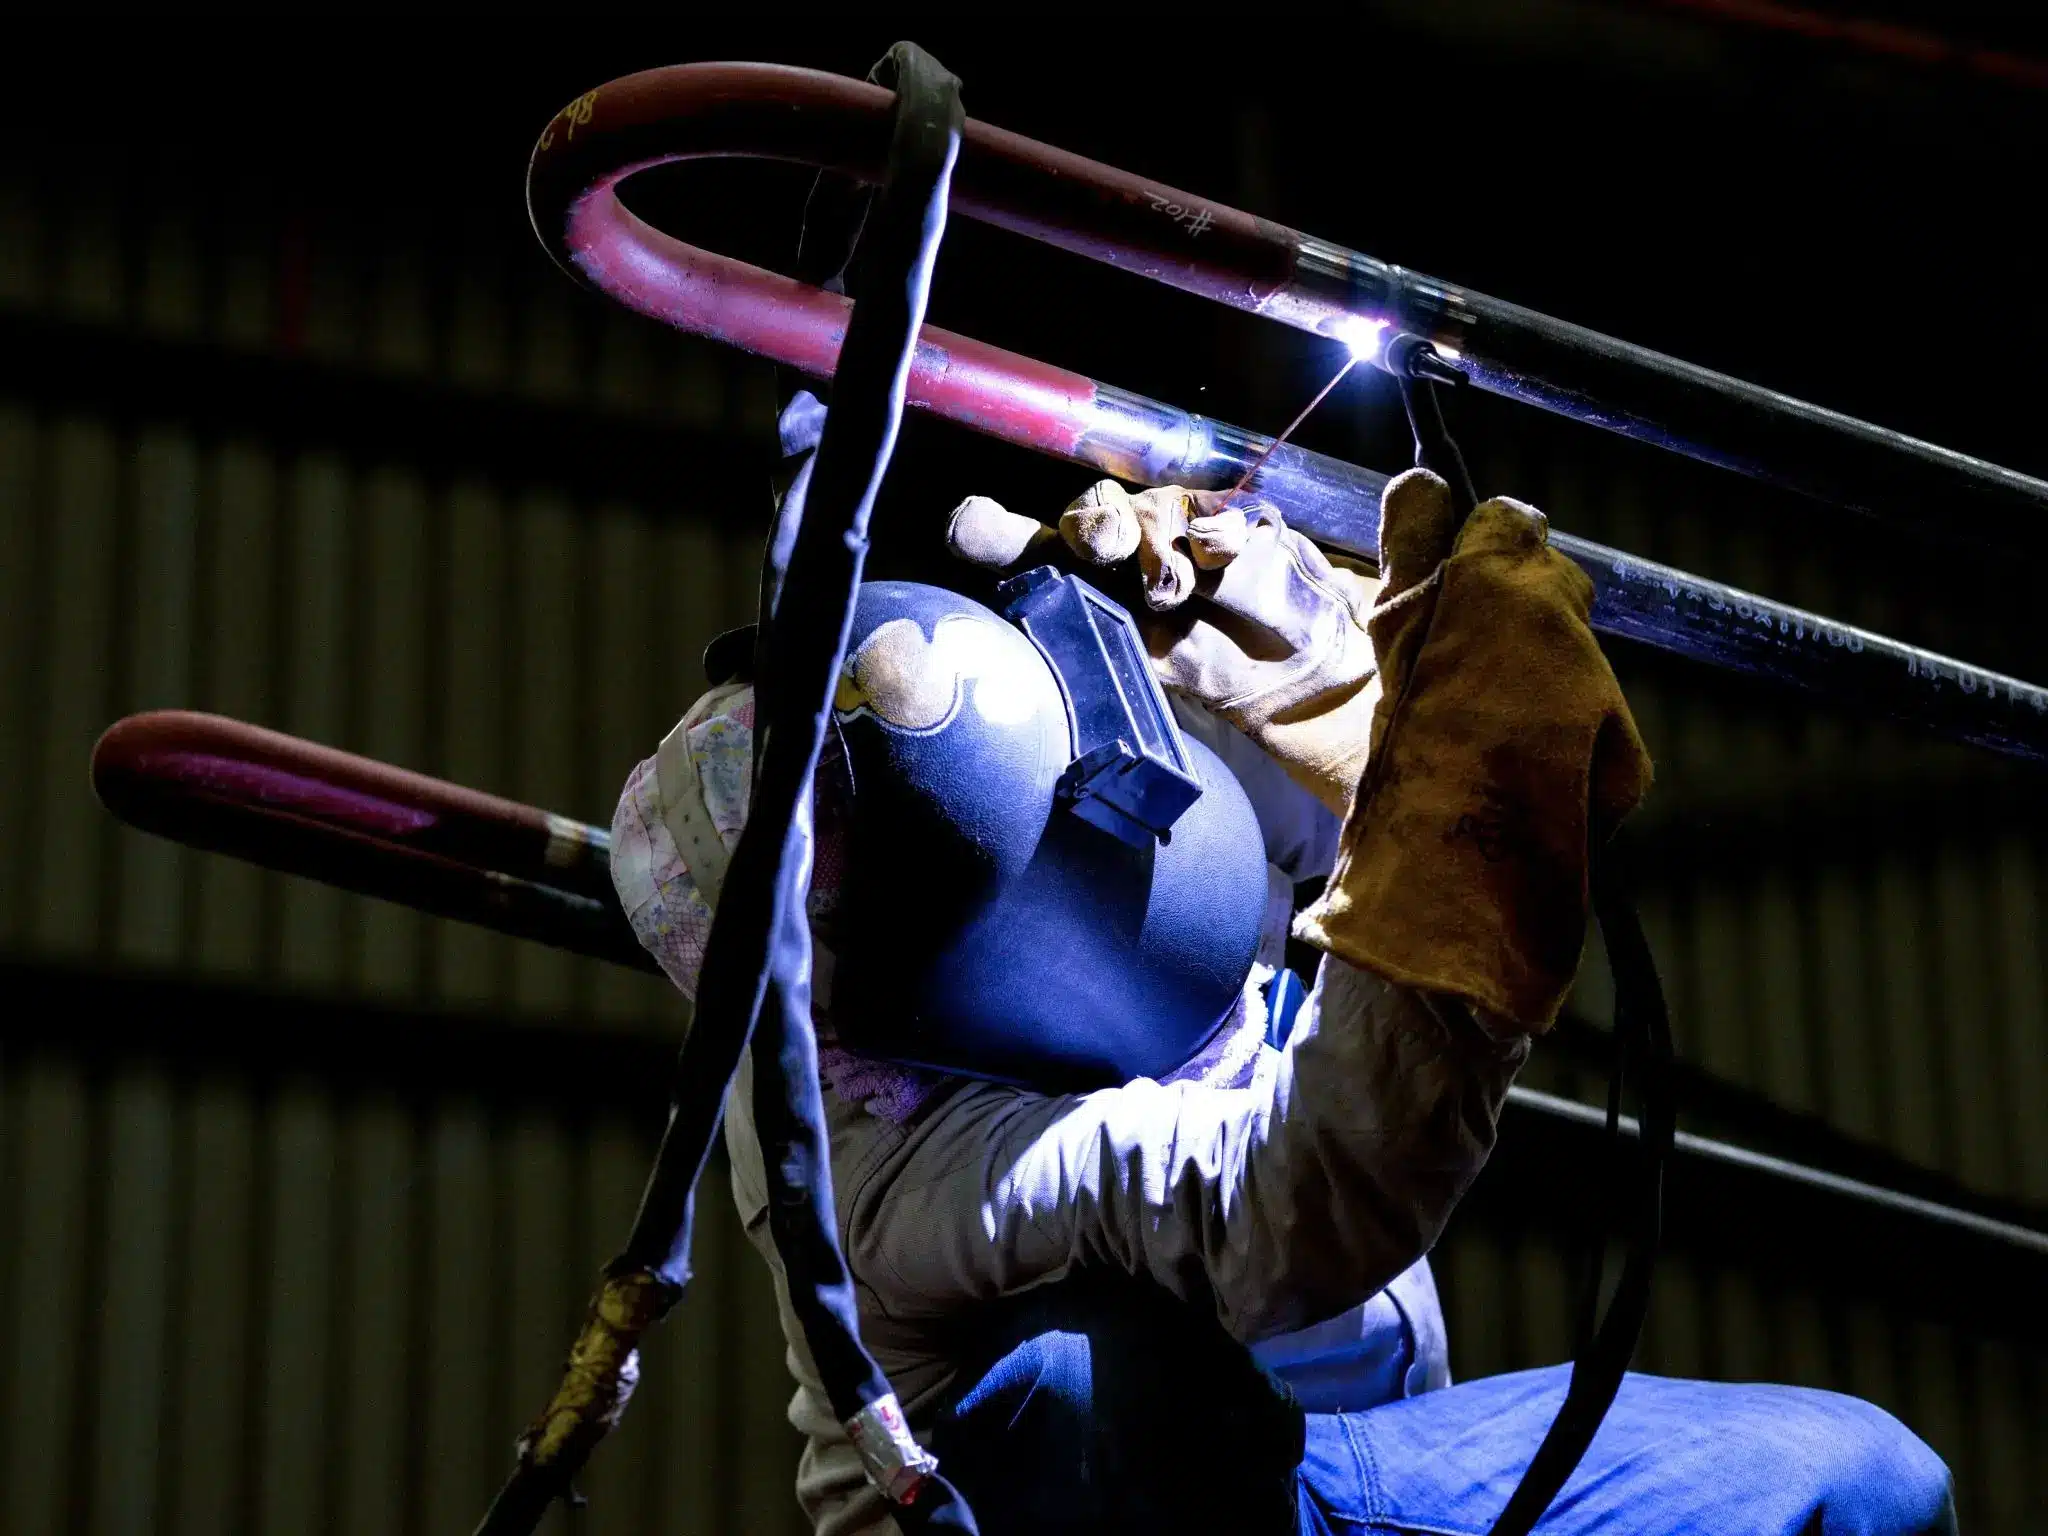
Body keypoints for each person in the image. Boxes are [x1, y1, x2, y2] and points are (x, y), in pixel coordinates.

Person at [609, 470, 1957, 1535]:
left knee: (1878, 1490)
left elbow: (1345, 822)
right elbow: (1294, 1192)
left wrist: (1321, 666)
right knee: (1069, 1398)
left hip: (1362, 1437)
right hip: (1175, 1510)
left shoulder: (1069, 732)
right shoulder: (870, 1156)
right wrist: (1469, 860)